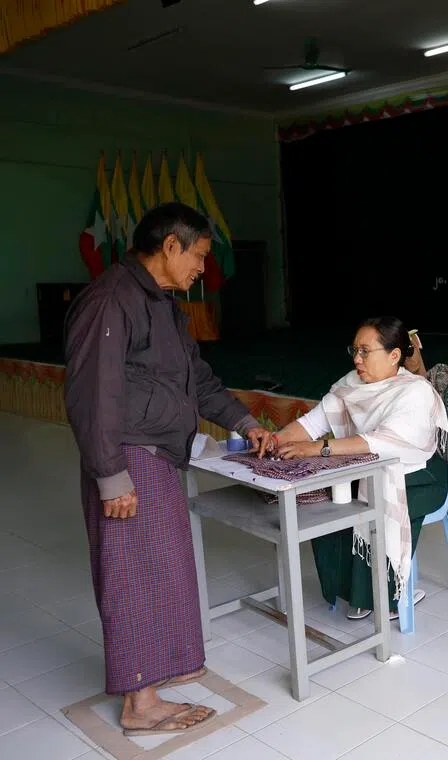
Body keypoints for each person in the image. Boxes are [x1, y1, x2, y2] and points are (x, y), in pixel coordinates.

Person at [64, 202, 273, 736]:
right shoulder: (112, 299)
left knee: (166, 571)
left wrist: (247, 423)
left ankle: (161, 668)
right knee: (134, 578)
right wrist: (112, 478)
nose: (204, 267)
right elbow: (93, 394)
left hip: (157, 457)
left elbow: (198, 381)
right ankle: (140, 704)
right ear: (172, 246)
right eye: (200, 255)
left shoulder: (161, 305)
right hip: (129, 460)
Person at [269, 316, 448, 620]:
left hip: (420, 474)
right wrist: (273, 441)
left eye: (366, 351)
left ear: (394, 356)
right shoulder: (350, 385)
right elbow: (311, 425)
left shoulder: (415, 391)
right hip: (370, 470)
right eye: (354, 350)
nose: (357, 359)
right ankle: (352, 591)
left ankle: (386, 594)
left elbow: (381, 441)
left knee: (377, 504)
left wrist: (320, 449)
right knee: (328, 501)